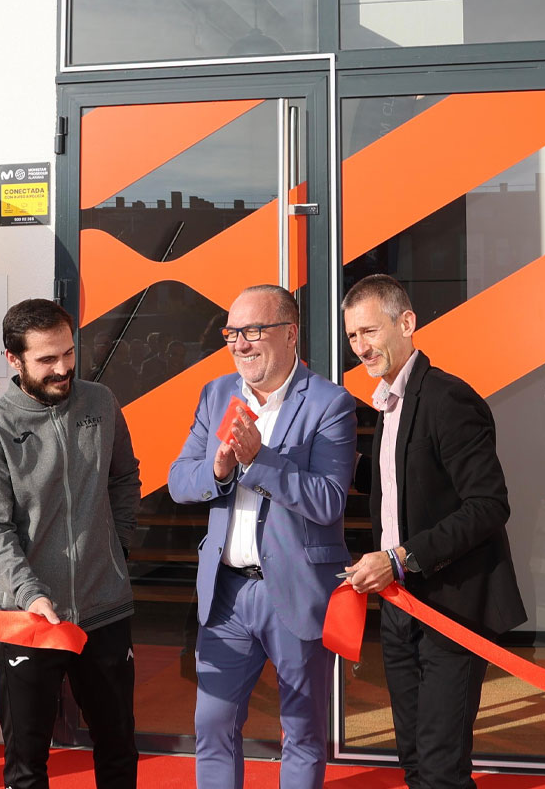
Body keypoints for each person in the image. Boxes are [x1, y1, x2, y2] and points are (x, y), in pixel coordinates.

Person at [168, 285, 357, 789]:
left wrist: (259, 461)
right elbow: (179, 481)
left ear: (290, 333)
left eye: (253, 331)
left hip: (295, 589)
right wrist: (221, 469)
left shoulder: (330, 403)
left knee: (301, 729)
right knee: (212, 724)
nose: (240, 343)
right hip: (227, 591)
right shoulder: (216, 394)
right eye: (233, 333)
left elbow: (328, 500)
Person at [340, 274, 524, 789]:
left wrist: (399, 557)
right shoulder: (388, 403)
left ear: (407, 323)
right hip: (401, 607)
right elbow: (394, 482)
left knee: (442, 769)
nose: (361, 347)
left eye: (370, 331)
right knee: (416, 759)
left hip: (452, 607)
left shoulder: (447, 399)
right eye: (353, 337)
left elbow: (489, 505)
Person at [0, 299, 141, 789]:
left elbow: (125, 478)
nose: (62, 368)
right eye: (46, 360)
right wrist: (30, 594)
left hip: (104, 610)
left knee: (119, 748)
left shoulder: (100, 403)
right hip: (28, 621)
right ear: (13, 361)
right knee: (26, 763)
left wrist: (116, 547)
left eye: (67, 353)